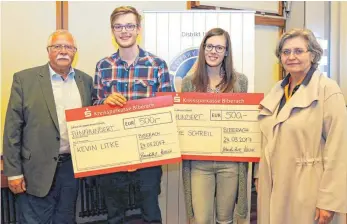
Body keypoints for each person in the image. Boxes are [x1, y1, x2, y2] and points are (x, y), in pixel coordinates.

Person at [255, 28, 347, 224]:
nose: (291, 57)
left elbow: (339, 149)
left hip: (309, 190)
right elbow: (265, 138)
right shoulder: (277, 90)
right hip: (274, 185)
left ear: (312, 54)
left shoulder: (328, 90)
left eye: (298, 51)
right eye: (286, 52)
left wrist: (329, 201)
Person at [3, 30, 94, 223]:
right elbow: (12, 130)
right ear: (48, 51)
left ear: (75, 52)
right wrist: (13, 172)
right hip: (34, 171)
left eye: (68, 47)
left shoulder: (85, 81)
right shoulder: (25, 80)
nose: (63, 51)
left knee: (65, 219)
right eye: (57, 46)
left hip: (71, 170)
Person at [93, 6, 173, 224]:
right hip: (113, 155)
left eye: (129, 25)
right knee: (114, 215)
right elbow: (93, 107)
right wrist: (104, 102)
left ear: (138, 29)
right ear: (112, 31)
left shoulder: (157, 65)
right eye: (118, 26)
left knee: (150, 214)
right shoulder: (102, 66)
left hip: (148, 154)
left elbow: (168, 108)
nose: (124, 31)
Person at [181, 28, 249, 224]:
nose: (213, 51)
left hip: (229, 162)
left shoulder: (239, 82)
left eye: (219, 47)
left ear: (226, 51)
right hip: (199, 164)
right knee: (201, 220)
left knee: (225, 219)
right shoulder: (189, 83)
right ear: (203, 49)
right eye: (209, 46)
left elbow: (244, 121)